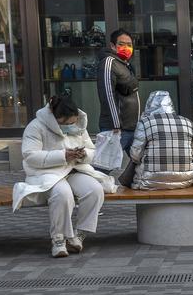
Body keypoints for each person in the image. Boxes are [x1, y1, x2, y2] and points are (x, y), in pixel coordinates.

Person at [13, 93, 116, 258]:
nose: (70, 126)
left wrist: (83, 155)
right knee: (62, 194)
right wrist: (62, 155)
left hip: (74, 169)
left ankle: (79, 233)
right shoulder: (36, 126)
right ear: (55, 118)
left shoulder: (79, 124)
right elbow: (30, 156)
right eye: (65, 123)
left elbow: (92, 150)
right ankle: (59, 239)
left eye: (73, 122)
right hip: (46, 173)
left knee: (95, 190)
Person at [127, 91, 193, 190]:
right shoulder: (188, 122)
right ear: (170, 104)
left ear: (149, 105)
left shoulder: (145, 123)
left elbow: (135, 155)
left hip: (149, 181)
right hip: (187, 179)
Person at [97, 28, 140, 152]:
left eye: (129, 45)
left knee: (139, 165)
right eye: (121, 44)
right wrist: (115, 125)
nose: (126, 47)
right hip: (117, 129)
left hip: (131, 128)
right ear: (113, 46)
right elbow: (107, 94)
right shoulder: (109, 62)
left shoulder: (125, 65)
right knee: (104, 167)